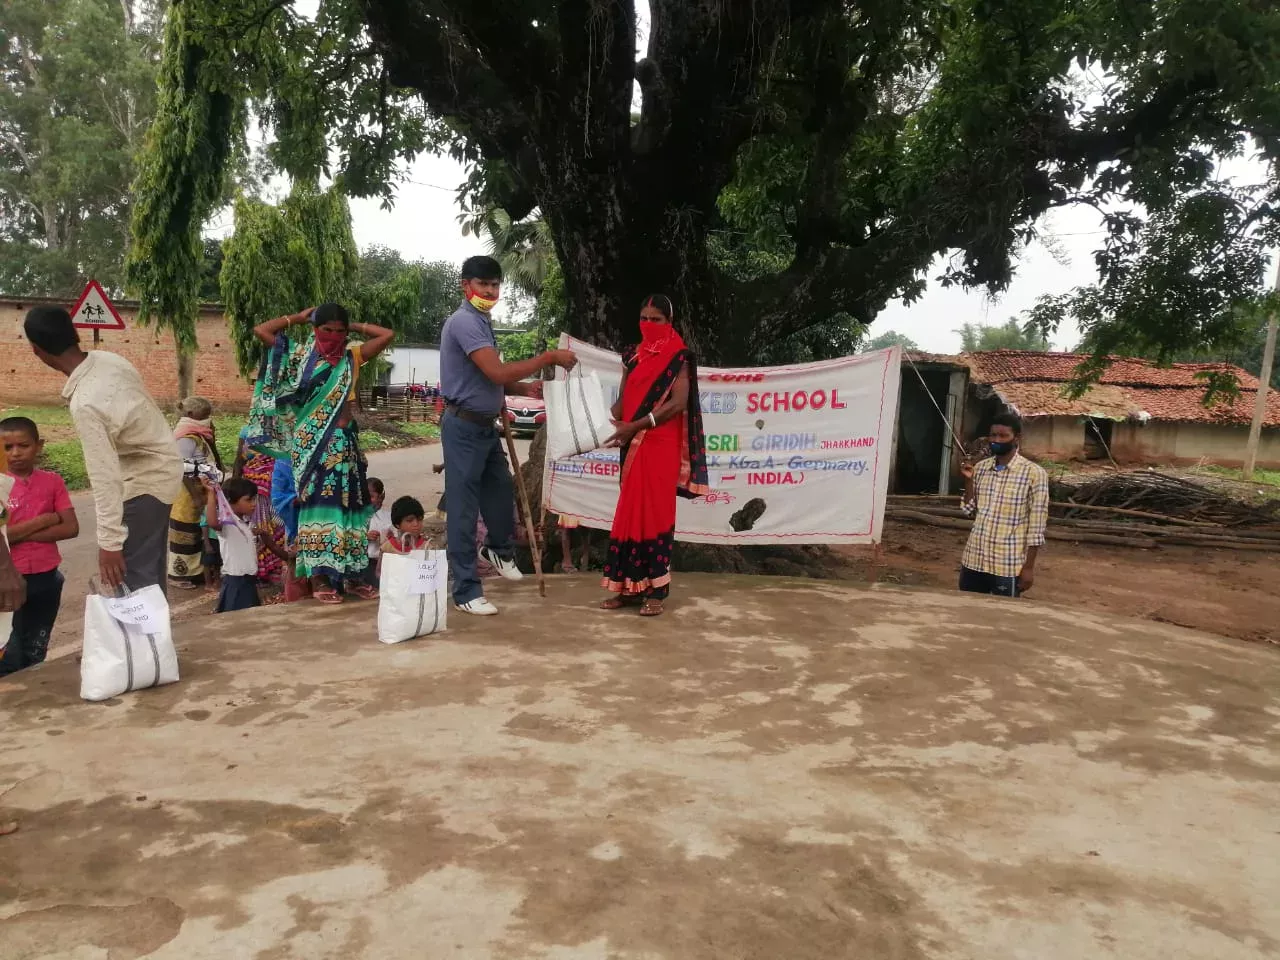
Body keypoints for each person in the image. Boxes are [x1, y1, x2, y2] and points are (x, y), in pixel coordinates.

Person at [439, 255, 577, 616]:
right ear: (465, 285)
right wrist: (547, 357)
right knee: (464, 510)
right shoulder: (465, 322)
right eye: (483, 284)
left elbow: (489, 377)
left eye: (495, 284)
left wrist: (524, 386)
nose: (489, 290)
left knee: (501, 494)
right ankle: (466, 589)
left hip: (486, 426)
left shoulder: (482, 322)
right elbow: (496, 373)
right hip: (463, 427)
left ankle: (498, 551)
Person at [25, 306, 182, 594]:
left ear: (36, 350)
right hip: (163, 468)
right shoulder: (109, 360)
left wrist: (109, 544)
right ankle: (155, 637)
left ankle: (146, 639)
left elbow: (104, 477)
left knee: (134, 583)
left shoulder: (85, 402)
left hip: (145, 481)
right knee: (147, 576)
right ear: (74, 334)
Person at [245, 304, 395, 605]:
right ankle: (319, 577)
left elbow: (387, 334)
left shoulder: (352, 359)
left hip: (346, 444)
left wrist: (353, 326)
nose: (334, 335)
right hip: (313, 445)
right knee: (317, 509)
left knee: (351, 508)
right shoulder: (300, 357)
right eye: (327, 329)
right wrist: (296, 318)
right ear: (315, 328)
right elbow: (262, 330)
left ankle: (353, 575)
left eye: (340, 330)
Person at [600, 295, 709, 616]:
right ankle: (626, 588)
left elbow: (677, 403)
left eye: (656, 319)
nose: (648, 324)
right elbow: (623, 401)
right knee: (628, 512)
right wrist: (594, 422)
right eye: (644, 318)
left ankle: (656, 593)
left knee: (655, 514)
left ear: (669, 321)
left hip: (660, 445)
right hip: (631, 444)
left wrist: (636, 424)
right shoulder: (631, 357)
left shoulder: (680, 357)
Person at [0, 417, 78, 675]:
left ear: (39, 446)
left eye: (23, 445)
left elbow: (70, 527)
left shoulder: (52, 481)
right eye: (6, 447)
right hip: (8, 580)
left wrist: (15, 534)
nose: (15, 453)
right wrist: (45, 520)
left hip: (46, 577)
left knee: (36, 649)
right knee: (8, 653)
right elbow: (3, 537)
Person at [958, 412, 1050, 597]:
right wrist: (968, 482)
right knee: (967, 613)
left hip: (1007, 564)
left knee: (1001, 619)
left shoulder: (1034, 474)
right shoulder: (982, 468)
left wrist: (1028, 568)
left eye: (1003, 436)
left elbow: (1037, 527)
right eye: (993, 435)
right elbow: (969, 510)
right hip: (974, 559)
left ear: (1016, 438)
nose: (996, 440)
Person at [169, 396, 224, 590]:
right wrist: (195, 495)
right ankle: (179, 575)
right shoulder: (185, 437)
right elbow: (182, 468)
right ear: (191, 414)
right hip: (187, 493)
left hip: (202, 489)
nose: (208, 418)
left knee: (200, 532)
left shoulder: (199, 434)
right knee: (186, 533)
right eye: (205, 414)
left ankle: (197, 572)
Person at [201, 476, 262, 613]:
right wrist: (211, 493)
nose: (254, 503)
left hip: (248, 582)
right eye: (248, 500)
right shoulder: (228, 523)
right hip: (236, 583)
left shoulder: (244, 523)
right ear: (230, 502)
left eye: (254, 499)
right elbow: (212, 522)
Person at [234, 426, 283, 584]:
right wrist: (234, 487)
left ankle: (271, 568)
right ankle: (259, 569)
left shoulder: (281, 427)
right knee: (256, 529)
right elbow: (239, 460)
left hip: (272, 488)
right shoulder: (247, 430)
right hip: (254, 490)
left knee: (275, 528)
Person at [365, 477, 393, 577]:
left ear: (381, 497)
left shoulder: (389, 517)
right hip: (364, 562)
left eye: (372, 496)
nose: (367, 500)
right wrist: (365, 537)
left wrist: (391, 538)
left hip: (383, 561)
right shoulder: (358, 517)